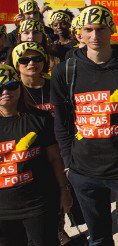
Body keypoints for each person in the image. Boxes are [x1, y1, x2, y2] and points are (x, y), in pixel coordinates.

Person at [50, 5, 118, 246]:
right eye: (88, 29)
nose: (95, 36)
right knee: (99, 239)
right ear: (79, 34)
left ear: (112, 31)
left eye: (101, 29)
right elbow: (62, 123)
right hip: (84, 171)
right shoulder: (65, 72)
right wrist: (69, 164)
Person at [0, 64, 72, 246]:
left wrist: (64, 191)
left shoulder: (40, 118)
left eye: (10, 85)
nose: (5, 92)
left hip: (39, 205)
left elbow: (55, 158)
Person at [13, 41, 53, 117]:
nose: (31, 63)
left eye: (37, 59)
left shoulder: (55, 85)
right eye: (24, 60)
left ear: (44, 61)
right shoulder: (12, 89)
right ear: (16, 65)